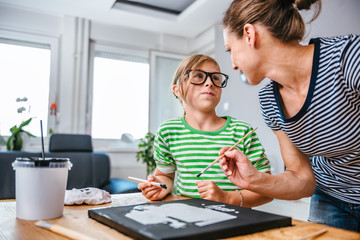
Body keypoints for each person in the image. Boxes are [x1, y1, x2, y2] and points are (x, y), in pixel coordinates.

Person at [220, 0, 360, 231]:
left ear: (248, 34)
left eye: (229, 50)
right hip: (330, 198)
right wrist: (251, 179)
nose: (233, 65)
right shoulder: (269, 101)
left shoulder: (348, 58)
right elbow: (302, 180)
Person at [138, 54, 272, 207]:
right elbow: (165, 176)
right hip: (186, 220)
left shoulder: (242, 131)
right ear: (177, 90)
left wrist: (227, 198)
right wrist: (159, 187)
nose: (209, 82)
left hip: (233, 221)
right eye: (198, 76)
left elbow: (268, 191)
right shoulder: (168, 132)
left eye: (215, 78)